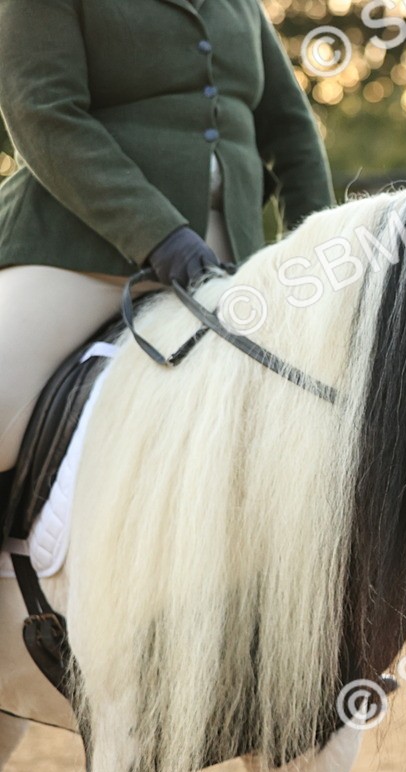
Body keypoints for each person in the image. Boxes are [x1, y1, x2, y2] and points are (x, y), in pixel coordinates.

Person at [0, 0, 336, 494]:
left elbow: (291, 130)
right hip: (75, 251)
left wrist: (319, 252)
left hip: (226, 260)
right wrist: (156, 232)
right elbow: (42, 112)